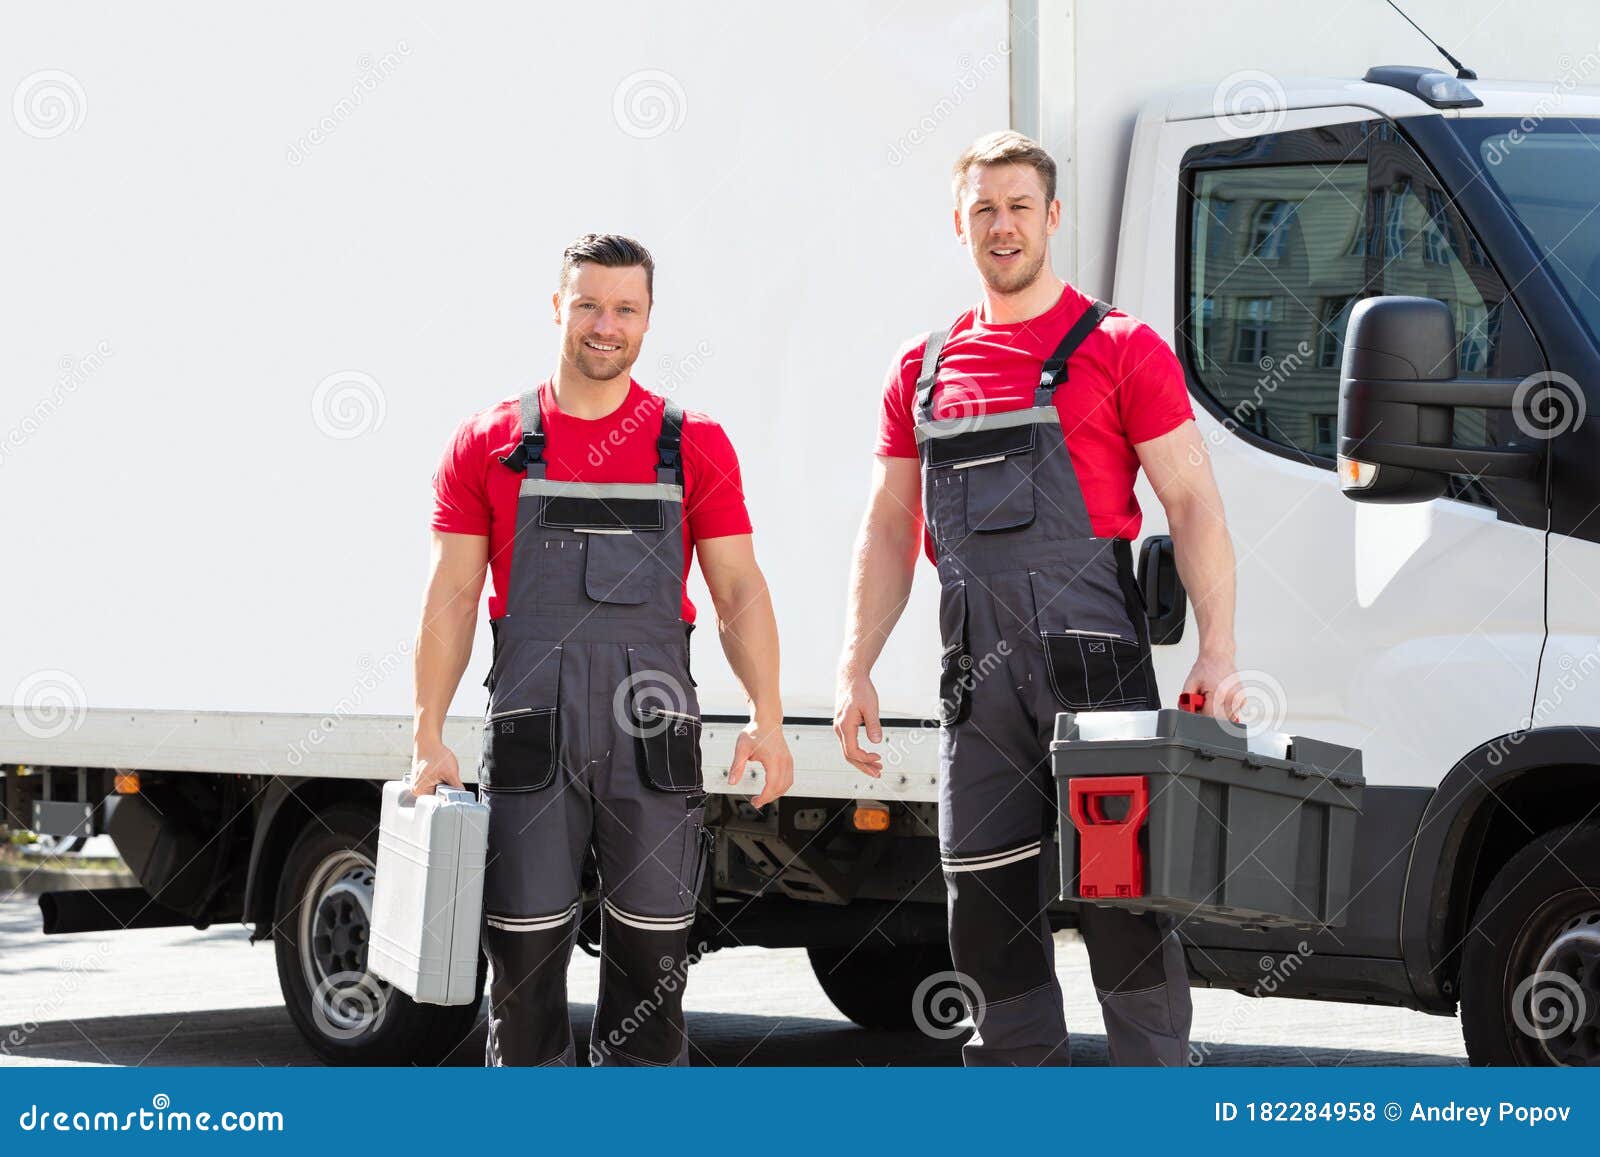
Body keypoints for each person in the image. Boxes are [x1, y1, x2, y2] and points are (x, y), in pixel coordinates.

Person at [833, 132, 1242, 1066]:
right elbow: (888, 530)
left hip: (1094, 663)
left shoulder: (1120, 348)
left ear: (1053, 218)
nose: (1002, 225)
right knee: (982, 906)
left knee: (1122, 903)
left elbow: (1192, 502)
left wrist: (1217, 650)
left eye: (1020, 206)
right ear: (959, 223)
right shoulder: (922, 370)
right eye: (984, 209)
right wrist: (854, 663)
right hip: (976, 681)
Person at [411, 233, 793, 1066]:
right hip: (530, 733)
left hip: (650, 738)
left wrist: (767, 714)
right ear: (557, 307)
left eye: (624, 308)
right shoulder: (489, 440)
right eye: (587, 304)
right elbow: (451, 598)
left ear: (649, 320)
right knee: (523, 960)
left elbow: (739, 591)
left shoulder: (693, 443)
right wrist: (428, 731)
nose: (604, 324)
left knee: (655, 963)